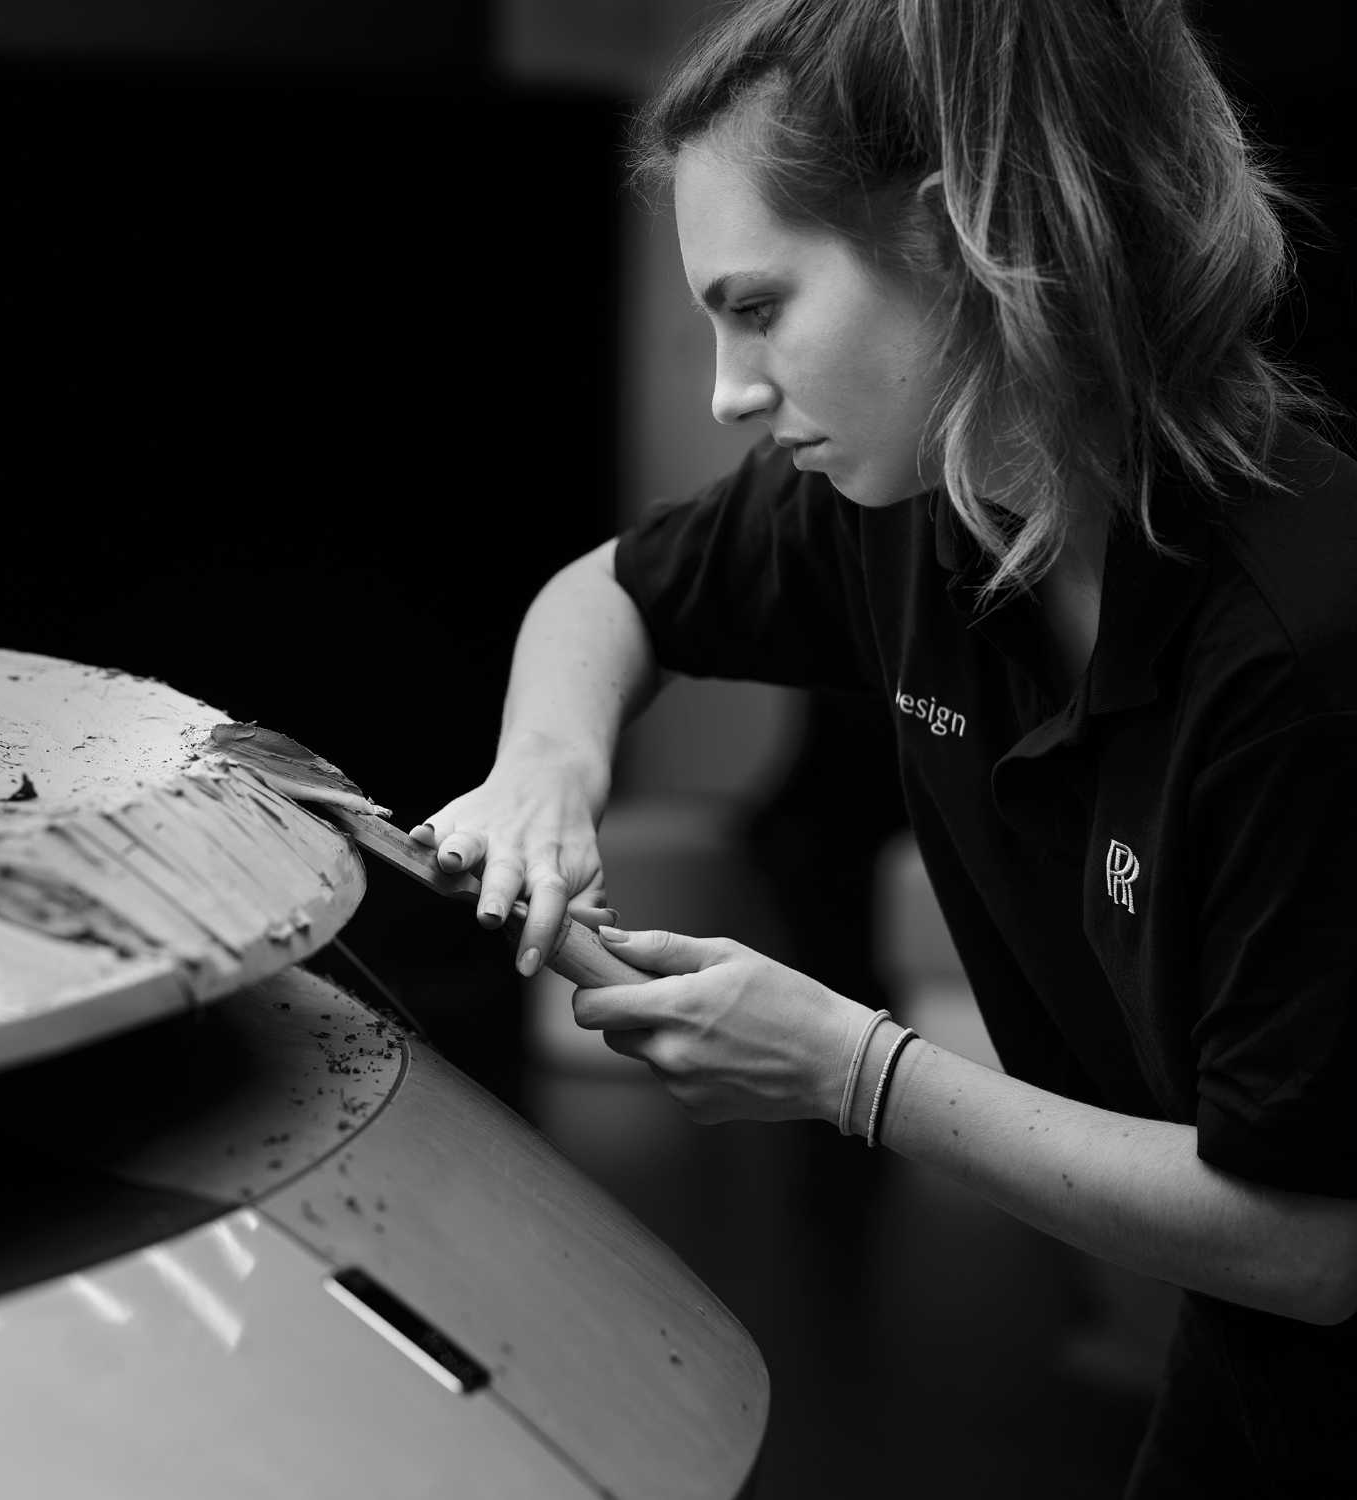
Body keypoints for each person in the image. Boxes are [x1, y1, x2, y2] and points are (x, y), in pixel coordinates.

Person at [408, 0, 1357, 1493]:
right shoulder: (917, 507)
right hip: (1243, 1376)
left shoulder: (1302, 653)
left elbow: (1310, 1243)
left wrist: (851, 1070)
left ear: (954, 240)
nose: (728, 389)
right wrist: (546, 771)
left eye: (760, 306)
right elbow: (609, 596)